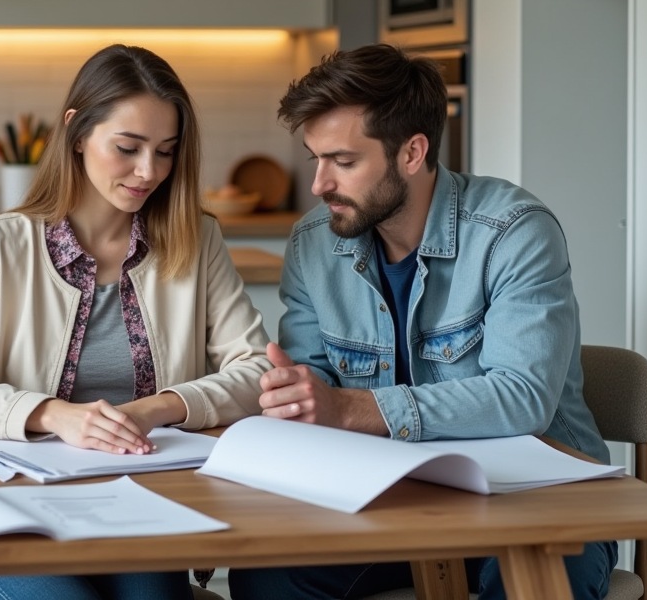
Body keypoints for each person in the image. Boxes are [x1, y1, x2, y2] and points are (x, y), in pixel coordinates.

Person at [227, 44, 617, 600]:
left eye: (343, 161)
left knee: (529, 588)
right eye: (315, 158)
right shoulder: (314, 243)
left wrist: (349, 409)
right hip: (387, 501)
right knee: (266, 578)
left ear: (412, 152)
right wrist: (295, 400)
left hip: (538, 501)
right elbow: (316, 389)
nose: (318, 185)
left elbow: (524, 397)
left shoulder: (514, 232)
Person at [0, 43, 272, 600]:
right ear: (77, 132)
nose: (148, 171)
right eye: (128, 148)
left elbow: (257, 370)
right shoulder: (1, 244)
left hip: (138, 506)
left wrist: (159, 407)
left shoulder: (197, 239)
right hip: (6, 510)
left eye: (166, 151)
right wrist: (56, 415)